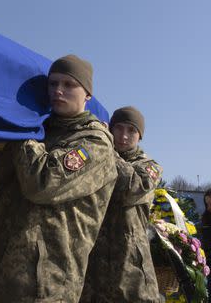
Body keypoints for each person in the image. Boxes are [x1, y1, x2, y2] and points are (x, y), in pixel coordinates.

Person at [0, 55, 118, 302]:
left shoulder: (94, 143)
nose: (58, 91)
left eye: (69, 85)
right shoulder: (37, 131)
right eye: (52, 84)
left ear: (87, 94)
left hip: (44, 285)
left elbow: (43, 183)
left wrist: (22, 127)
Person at [79, 106, 163, 302]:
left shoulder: (149, 166)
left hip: (129, 264)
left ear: (140, 136)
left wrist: (104, 147)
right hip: (92, 263)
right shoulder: (95, 155)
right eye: (119, 128)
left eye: (131, 130)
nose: (124, 136)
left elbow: (131, 188)